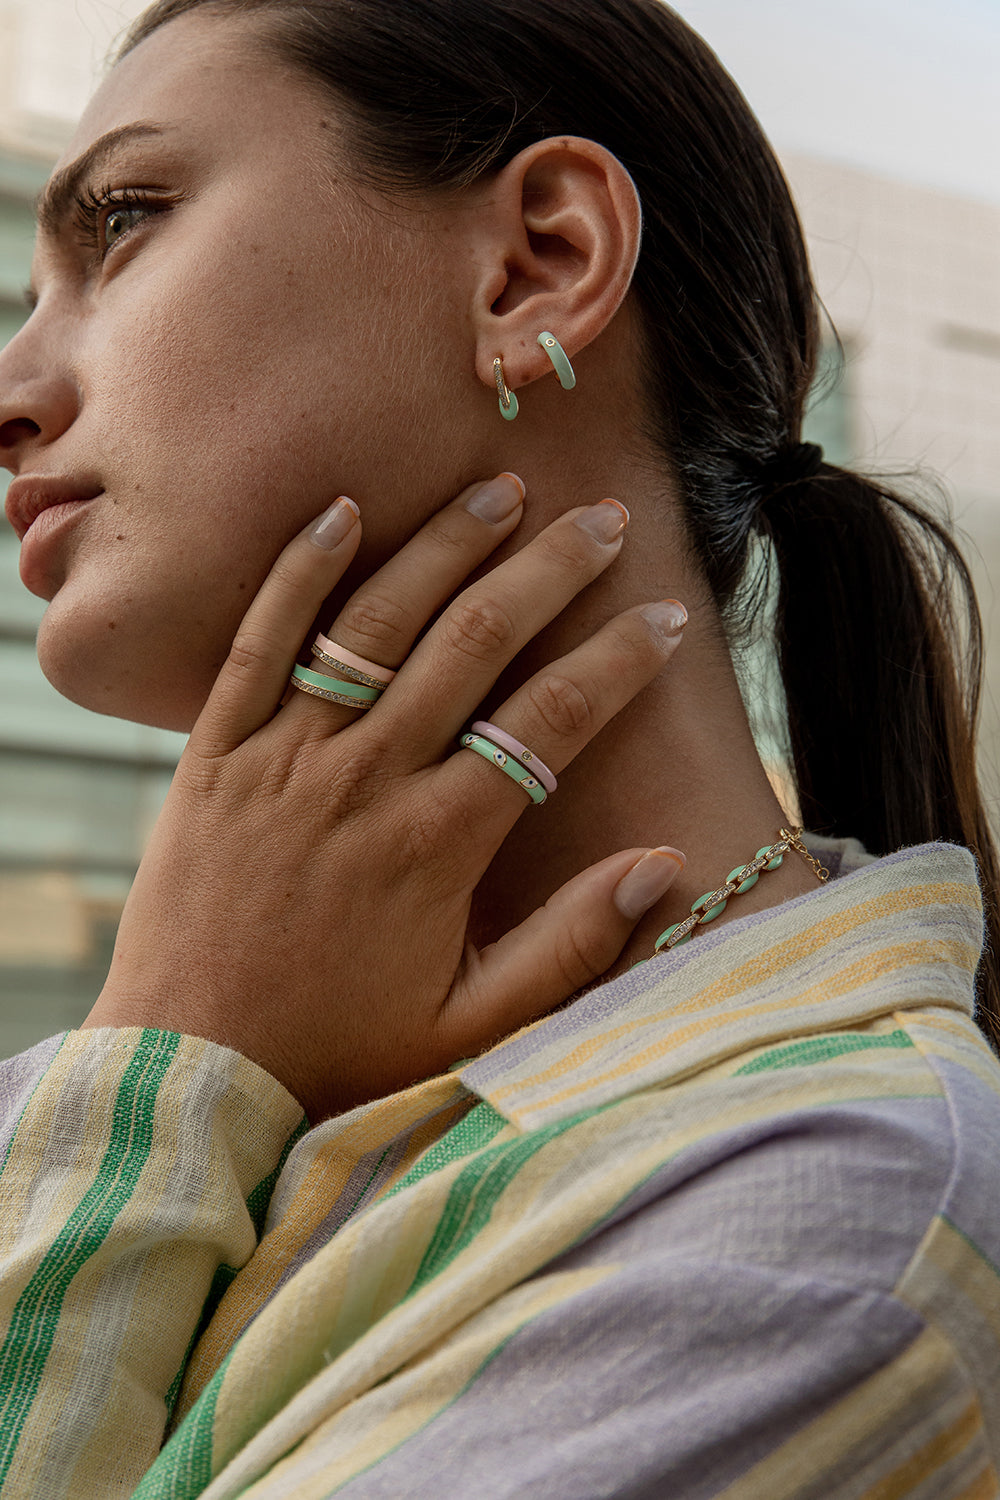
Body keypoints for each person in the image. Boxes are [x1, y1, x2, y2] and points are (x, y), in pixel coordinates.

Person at [1, 0, 999, 1494]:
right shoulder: (94, 1087)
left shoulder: (831, 1221)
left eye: (125, 225)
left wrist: (176, 1058)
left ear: (539, 263)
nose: (14, 394)